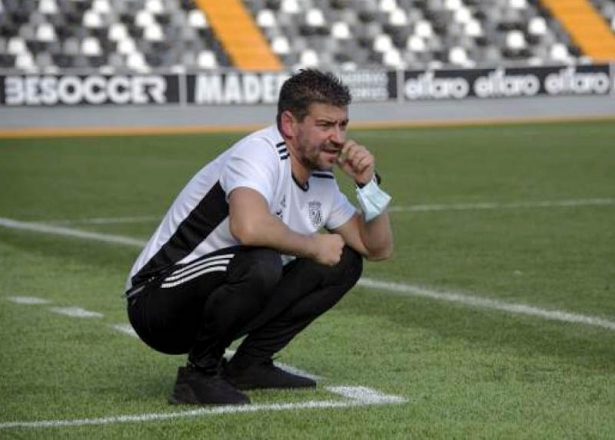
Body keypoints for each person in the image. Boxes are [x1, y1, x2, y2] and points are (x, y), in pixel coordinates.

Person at [125, 69, 393, 405]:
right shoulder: (258, 153)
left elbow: (376, 247)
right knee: (260, 259)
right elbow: (248, 227)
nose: (338, 138)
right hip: (157, 301)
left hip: (220, 296)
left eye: (342, 125)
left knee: (344, 262)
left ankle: (249, 365)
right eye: (325, 125)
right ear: (289, 125)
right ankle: (199, 375)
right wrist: (313, 245)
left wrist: (368, 185)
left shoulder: (321, 177)